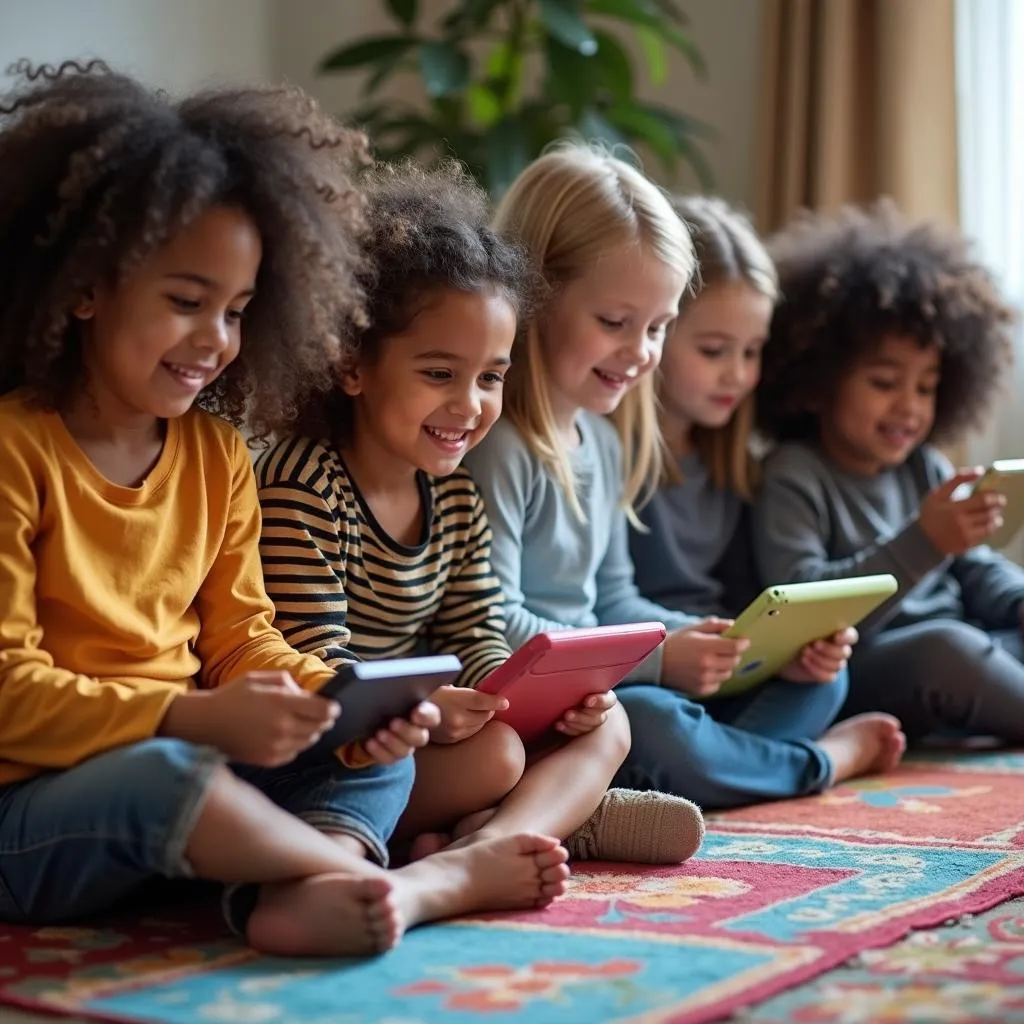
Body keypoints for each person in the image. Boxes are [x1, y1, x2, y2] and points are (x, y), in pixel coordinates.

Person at [0, 61, 566, 960]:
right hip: (37, 812)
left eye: (238, 311)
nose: (215, 341)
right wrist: (185, 717)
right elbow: (9, 697)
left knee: (376, 754)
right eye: (187, 302)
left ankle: (308, 878)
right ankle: (402, 885)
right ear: (85, 285)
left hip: (194, 780)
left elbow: (241, 640)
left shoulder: (216, 454)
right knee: (164, 776)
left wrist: (333, 702)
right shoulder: (16, 449)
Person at [257, 160, 698, 865]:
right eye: (440, 375)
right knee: (492, 758)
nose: (470, 406)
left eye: (491, 377)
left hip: (421, 731)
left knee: (607, 726)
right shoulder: (304, 486)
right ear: (352, 364)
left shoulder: (453, 496)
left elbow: (477, 630)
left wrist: (514, 692)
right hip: (335, 752)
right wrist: (430, 717)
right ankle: (546, 822)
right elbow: (315, 664)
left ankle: (495, 838)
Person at [620, 196, 903, 810]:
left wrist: (794, 654)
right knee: (649, 723)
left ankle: (701, 772)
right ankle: (817, 763)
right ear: (659, 331)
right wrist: (675, 653)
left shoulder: (735, 468)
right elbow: (598, 609)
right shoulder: (607, 459)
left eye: (752, 352)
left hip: (718, 676)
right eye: (714, 350)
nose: (738, 375)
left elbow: (748, 606)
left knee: (828, 682)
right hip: (644, 675)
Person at [753, 200, 1024, 745]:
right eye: (884, 382)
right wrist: (925, 540)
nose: (909, 406)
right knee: (947, 649)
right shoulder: (793, 473)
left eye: (925, 387)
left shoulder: (924, 465)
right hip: (870, 662)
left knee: (990, 635)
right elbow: (801, 607)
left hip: (966, 642)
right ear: (819, 379)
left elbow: (974, 569)